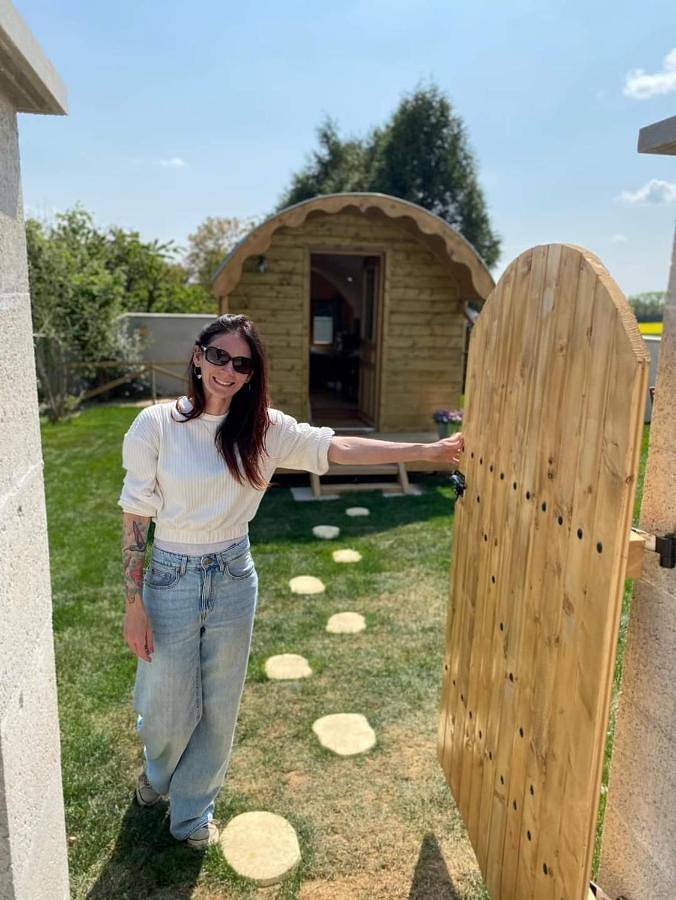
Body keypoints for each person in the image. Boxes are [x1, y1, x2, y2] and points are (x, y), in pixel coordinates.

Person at [119, 314, 463, 850]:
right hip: (171, 575)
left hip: (234, 573)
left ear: (252, 373)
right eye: (218, 357)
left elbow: (338, 449)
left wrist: (426, 453)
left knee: (219, 704)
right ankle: (159, 776)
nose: (227, 371)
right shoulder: (156, 426)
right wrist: (133, 603)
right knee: (165, 704)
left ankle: (192, 812)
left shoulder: (266, 430)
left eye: (241, 364)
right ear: (197, 356)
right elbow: (137, 517)